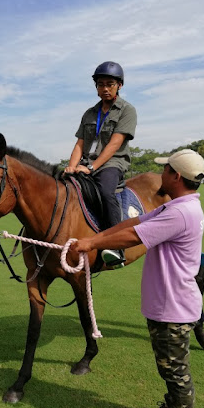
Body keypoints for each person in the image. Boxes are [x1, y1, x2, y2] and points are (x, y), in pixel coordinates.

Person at [70, 149, 204, 408]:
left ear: (176, 177)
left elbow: (135, 238)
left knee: (176, 371)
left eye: (166, 170)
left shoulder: (181, 213)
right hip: (167, 303)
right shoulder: (178, 206)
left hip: (175, 306)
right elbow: (132, 224)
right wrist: (101, 234)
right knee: (167, 367)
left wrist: (91, 242)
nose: (161, 175)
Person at [64, 61, 137, 268]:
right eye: (101, 84)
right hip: (86, 163)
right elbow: (80, 144)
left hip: (112, 163)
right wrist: (71, 166)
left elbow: (115, 144)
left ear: (119, 85)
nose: (105, 88)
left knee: (106, 191)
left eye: (110, 84)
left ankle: (116, 247)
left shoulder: (127, 111)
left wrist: (92, 168)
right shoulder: (89, 113)